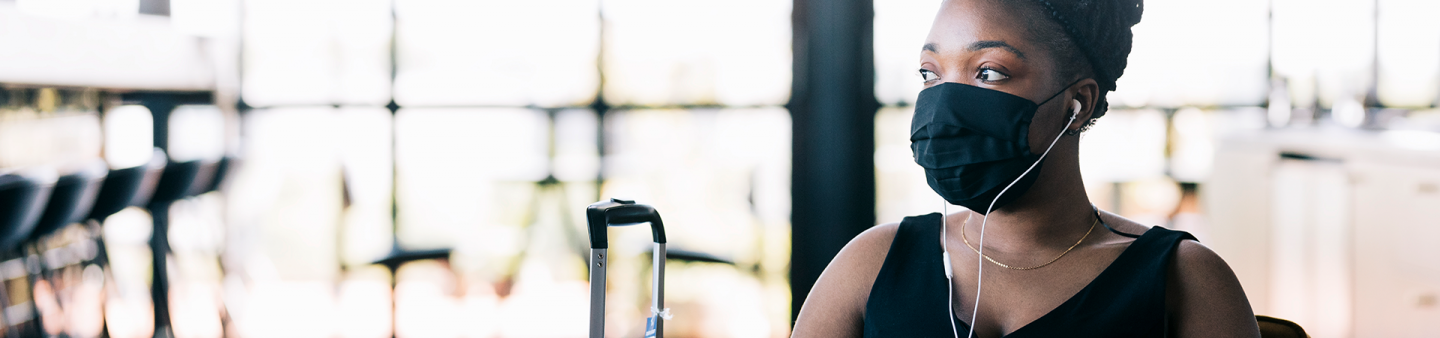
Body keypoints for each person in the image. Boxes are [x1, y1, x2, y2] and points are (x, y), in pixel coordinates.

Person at [791, 0, 1260, 337]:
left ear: (1078, 104)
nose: (944, 103)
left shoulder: (1184, 279)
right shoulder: (872, 262)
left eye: (988, 72)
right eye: (930, 74)